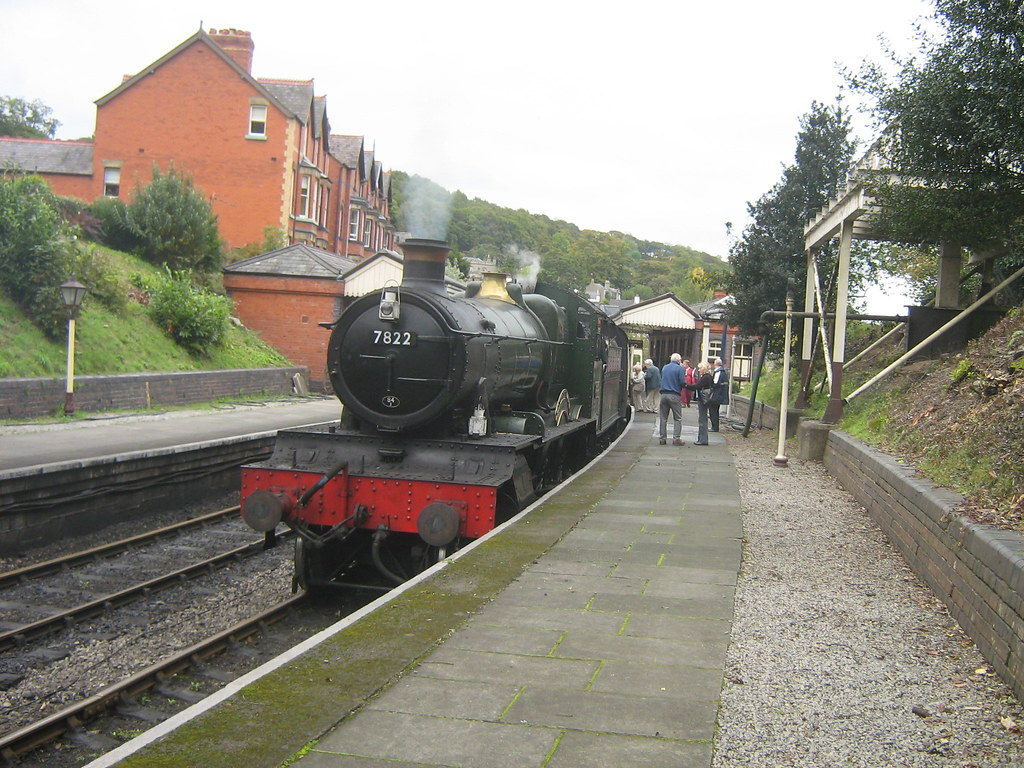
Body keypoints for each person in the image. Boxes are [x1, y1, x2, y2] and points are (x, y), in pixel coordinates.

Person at [658, 353, 686, 445]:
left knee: (663, 418)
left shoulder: (665, 367)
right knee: (677, 418)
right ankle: (676, 439)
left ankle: (662, 439)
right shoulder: (680, 368)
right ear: (678, 360)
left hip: (663, 395)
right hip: (674, 394)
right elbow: (682, 382)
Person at [685, 361, 714, 445]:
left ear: (704, 369)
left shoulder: (705, 377)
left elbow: (697, 387)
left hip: (703, 399)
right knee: (703, 418)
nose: (698, 369)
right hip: (707, 399)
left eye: (700, 368)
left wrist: (686, 385)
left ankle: (702, 439)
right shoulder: (709, 377)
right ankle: (702, 439)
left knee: (702, 419)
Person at [709, 356, 729, 432]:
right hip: (720, 395)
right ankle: (715, 426)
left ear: (715, 364)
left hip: (716, 395)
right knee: (715, 411)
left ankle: (714, 427)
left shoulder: (718, 372)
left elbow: (715, 383)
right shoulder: (723, 372)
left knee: (713, 411)